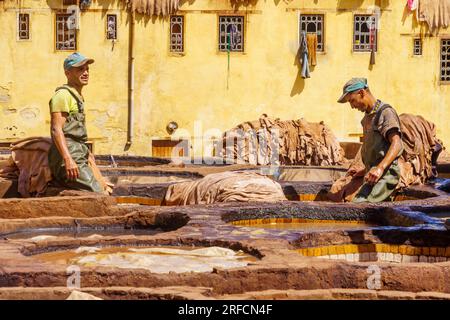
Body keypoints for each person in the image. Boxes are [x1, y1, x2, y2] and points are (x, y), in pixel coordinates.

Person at [337, 78, 403, 202]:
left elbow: (397, 143)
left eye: (352, 101)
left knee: (360, 207)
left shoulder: (385, 113)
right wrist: (364, 170)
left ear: (361, 93)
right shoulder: (367, 118)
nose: (352, 106)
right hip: (372, 175)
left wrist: (380, 168)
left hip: (386, 175)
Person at [48, 52, 102, 192]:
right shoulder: (63, 95)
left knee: (104, 187)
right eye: (80, 69)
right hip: (67, 155)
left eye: (87, 69)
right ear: (67, 73)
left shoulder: (77, 97)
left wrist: (88, 155)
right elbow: (56, 129)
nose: (85, 73)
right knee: (96, 191)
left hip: (79, 152)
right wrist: (68, 159)